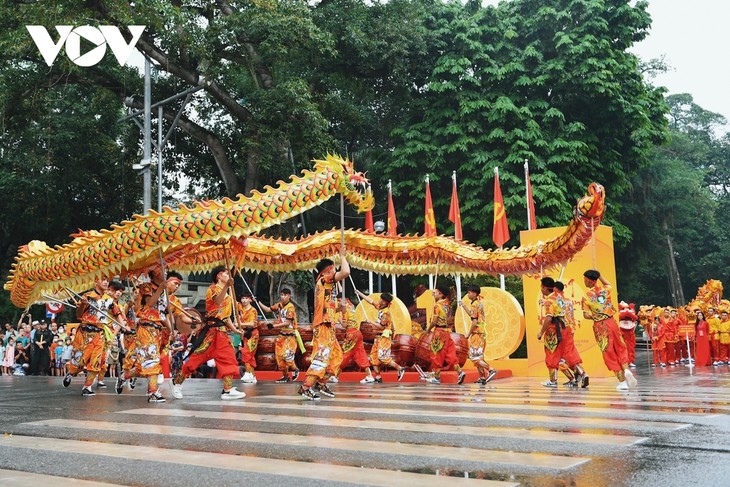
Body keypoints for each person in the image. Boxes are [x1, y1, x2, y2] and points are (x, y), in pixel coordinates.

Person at [171, 266, 245, 400]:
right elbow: (217, 301)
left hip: (222, 333)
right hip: (211, 332)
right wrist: (227, 286)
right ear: (219, 276)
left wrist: (235, 330)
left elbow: (226, 317)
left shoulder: (228, 295)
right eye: (226, 273)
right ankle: (177, 382)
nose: (229, 275)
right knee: (196, 359)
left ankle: (227, 391)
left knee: (229, 359)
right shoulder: (212, 289)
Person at [64, 277, 129, 396]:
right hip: (84, 332)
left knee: (96, 361)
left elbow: (118, 314)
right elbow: (79, 315)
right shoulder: (88, 296)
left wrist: (123, 325)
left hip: (100, 333)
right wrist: (82, 305)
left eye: (107, 280)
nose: (105, 282)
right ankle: (71, 373)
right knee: (80, 361)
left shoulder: (109, 299)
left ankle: (87, 386)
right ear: (96, 282)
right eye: (103, 279)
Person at [298, 255, 349, 400]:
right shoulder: (323, 280)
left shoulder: (326, 288)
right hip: (322, 327)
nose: (335, 273)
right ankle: (305, 387)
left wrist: (340, 309)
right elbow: (346, 272)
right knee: (321, 358)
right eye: (333, 270)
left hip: (329, 327)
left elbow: (327, 308)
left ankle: (320, 383)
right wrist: (343, 256)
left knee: (336, 358)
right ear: (328, 271)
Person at [581, 269, 636, 391]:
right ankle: (626, 369)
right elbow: (608, 284)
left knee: (609, 352)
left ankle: (622, 382)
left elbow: (586, 315)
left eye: (585, 279)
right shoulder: (605, 290)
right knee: (620, 347)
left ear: (589, 281)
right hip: (612, 322)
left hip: (601, 326)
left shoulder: (586, 297)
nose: (584, 282)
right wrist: (600, 275)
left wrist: (595, 315)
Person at [116, 284, 169, 402]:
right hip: (146, 328)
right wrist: (160, 288)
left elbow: (163, 315)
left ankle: (124, 376)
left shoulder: (164, 293)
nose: (164, 272)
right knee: (153, 361)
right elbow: (149, 303)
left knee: (143, 367)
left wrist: (170, 330)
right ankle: (153, 392)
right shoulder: (147, 287)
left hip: (158, 330)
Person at [355, 290, 406, 384]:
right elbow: (370, 301)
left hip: (384, 337)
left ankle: (399, 368)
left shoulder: (386, 313)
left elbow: (382, 326)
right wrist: (359, 293)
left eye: (381, 299)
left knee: (383, 357)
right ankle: (378, 376)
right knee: (373, 357)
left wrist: (371, 322)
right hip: (378, 337)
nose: (379, 300)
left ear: (385, 302)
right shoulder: (380, 308)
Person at [425, 287, 466, 385]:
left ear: (441, 294)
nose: (433, 294)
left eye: (435, 292)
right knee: (450, 354)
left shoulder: (437, 306)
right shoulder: (446, 304)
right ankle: (460, 372)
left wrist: (428, 329)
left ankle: (437, 377)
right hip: (447, 331)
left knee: (436, 354)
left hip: (439, 331)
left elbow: (434, 321)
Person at [259, 289, 300, 383]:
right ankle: (285, 376)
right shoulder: (279, 305)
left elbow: (287, 323)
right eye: (281, 294)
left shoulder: (290, 308)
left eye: (285, 295)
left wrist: (273, 326)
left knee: (287, 356)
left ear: (289, 295)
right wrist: (258, 302)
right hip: (282, 335)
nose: (282, 297)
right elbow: (268, 309)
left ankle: (295, 369)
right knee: (279, 356)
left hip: (290, 336)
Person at [553, 281, 589, 388]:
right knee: (570, 354)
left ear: (555, 289)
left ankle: (578, 376)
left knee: (560, 358)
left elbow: (554, 314)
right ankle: (578, 376)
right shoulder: (568, 301)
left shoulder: (556, 300)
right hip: (570, 329)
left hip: (561, 330)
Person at [460, 285, 498, 385]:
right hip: (482, 333)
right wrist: (464, 306)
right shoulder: (478, 303)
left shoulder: (475, 305)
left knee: (474, 357)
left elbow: (474, 322)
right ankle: (482, 377)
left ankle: (491, 370)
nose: (468, 294)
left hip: (477, 334)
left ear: (474, 293)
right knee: (478, 356)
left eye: (469, 292)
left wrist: (468, 333)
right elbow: (473, 315)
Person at [333, 298, 375, 384]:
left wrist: (339, 319)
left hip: (351, 334)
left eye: (337, 301)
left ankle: (335, 375)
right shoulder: (351, 305)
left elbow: (344, 325)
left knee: (344, 354)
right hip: (358, 333)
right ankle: (369, 376)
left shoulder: (344, 310)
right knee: (361, 354)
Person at [236, 292, 259, 384]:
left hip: (252, 334)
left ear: (250, 299)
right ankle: (252, 376)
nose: (244, 300)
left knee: (247, 353)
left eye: (246, 298)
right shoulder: (240, 308)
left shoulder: (253, 310)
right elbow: (233, 301)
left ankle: (248, 373)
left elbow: (252, 323)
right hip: (243, 333)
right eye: (242, 298)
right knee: (247, 354)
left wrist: (239, 324)